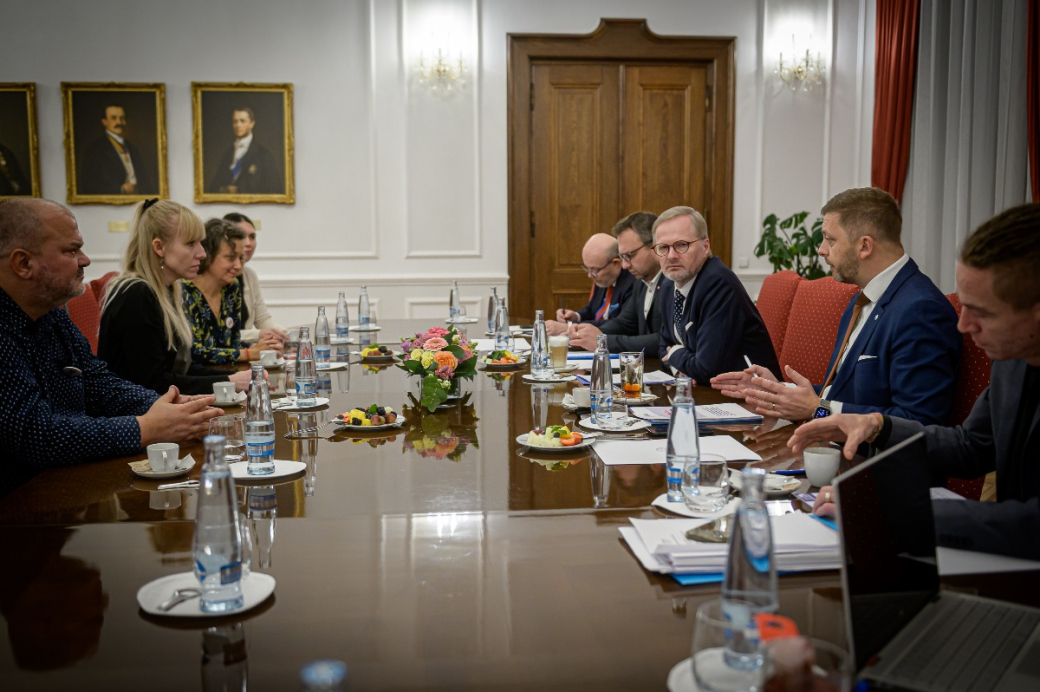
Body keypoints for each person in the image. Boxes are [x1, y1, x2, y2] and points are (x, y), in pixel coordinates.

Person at [790, 203, 1040, 560]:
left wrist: (900, 511)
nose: (963, 326)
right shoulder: (1014, 358)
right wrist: (878, 425)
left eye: (981, 312)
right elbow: (971, 447)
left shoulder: (924, 309)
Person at [0, 198, 219, 497]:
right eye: (71, 250)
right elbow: (34, 435)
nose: (86, 260)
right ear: (23, 263)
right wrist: (145, 428)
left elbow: (98, 382)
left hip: (67, 484)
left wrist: (166, 406)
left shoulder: (51, 313)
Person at [711, 187, 960, 425]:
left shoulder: (921, 310)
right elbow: (843, 395)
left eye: (830, 240)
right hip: (833, 450)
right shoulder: (862, 299)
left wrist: (817, 410)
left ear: (864, 246)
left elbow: (915, 423)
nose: (821, 250)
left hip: (869, 464)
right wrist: (777, 390)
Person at [99, 200, 253, 396]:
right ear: (159, 247)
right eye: (191, 243)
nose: (202, 253)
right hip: (131, 419)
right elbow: (155, 384)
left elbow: (182, 369)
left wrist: (235, 378)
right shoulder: (136, 296)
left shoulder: (166, 289)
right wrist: (228, 381)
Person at [656, 205, 780, 382]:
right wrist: (680, 369)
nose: (671, 256)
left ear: (705, 246)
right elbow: (663, 345)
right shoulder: (669, 285)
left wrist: (675, 354)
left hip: (751, 397)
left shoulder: (718, 283)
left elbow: (707, 369)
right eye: (663, 248)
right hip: (705, 392)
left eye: (681, 245)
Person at [568, 211, 671, 353]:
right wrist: (585, 335)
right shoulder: (640, 282)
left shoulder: (673, 281)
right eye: (623, 257)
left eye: (629, 255)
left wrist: (603, 341)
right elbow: (625, 323)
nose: (624, 265)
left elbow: (665, 338)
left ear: (655, 246)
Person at [182, 219, 280, 365]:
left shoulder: (232, 287)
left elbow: (231, 344)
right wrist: (249, 352)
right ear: (208, 255)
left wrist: (266, 348)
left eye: (240, 258)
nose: (238, 265)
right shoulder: (185, 291)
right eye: (230, 257)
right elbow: (195, 352)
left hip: (228, 377)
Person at [546, 233, 635, 335]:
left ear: (616, 263)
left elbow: (619, 325)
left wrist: (570, 327)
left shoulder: (633, 283)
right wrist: (576, 316)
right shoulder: (603, 277)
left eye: (593, 270)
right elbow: (592, 309)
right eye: (587, 268)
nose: (589, 275)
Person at [223, 212, 286, 347]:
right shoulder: (218, 277)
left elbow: (262, 319)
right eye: (241, 236)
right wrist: (258, 334)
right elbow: (222, 335)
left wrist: (284, 333)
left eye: (252, 237)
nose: (248, 243)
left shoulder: (250, 275)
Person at [78, 105, 155, 195]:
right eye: (114, 118)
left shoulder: (132, 148)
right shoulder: (95, 149)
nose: (119, 122)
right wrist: (120, 189)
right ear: (104, 122)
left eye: (122, 118)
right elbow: (89, 185)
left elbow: (144, 181)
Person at [207, 107, 281, 194]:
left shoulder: (264, 155)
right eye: (235, 121)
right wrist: (224, 190)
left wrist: (239, 190)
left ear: (252, 124)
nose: (238, 125)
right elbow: (213, 188)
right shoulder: (228, 154)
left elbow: (274, 190)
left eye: (242, 121)